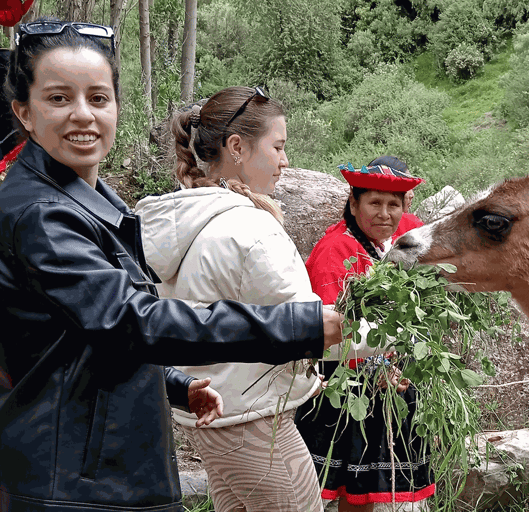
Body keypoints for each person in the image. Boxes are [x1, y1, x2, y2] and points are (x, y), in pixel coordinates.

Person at [0, 19, 343, 512]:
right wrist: (305, 324)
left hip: (94, 466)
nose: (83, 115)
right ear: (24, 113)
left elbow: (81, 335)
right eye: (58, 98)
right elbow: (132, 318)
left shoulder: (91, 201)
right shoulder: (42, 214)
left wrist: (174, 384)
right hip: (76, 485)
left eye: (98, 99)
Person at [134, 87, 388, 512]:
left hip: (208, 413)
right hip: (254, 424)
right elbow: (312, 327)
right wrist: (395, 334)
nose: (285, 161)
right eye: (278, 146)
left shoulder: (177, 221)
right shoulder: (252, 230)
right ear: (237, 147)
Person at [294, 162, 434, 511]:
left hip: (391, 380)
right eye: (374, 204)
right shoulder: (336, 251)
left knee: (369, 490)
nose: (385, 214)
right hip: (347, 386)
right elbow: (331, 335)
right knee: (352, 492)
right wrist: (377, 367)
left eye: (394, 205)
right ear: (354, 204)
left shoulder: (398, 239)